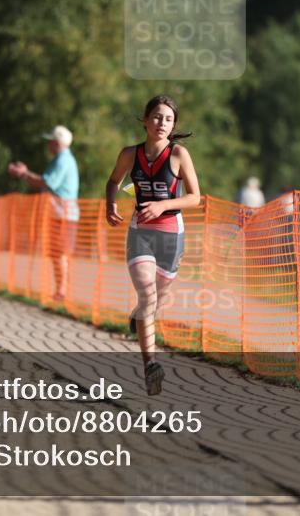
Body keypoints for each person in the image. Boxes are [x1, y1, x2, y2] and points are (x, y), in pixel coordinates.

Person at [105, 95, 201, 396]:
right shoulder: (129, 154)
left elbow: (195, 198)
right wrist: (110, 203)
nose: (162, 123)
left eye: (168, 119)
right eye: (157, 117)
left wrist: (163, 206)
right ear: (146, 120)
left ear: (173, 125)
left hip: (172, 234)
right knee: (147, 295)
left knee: (157, 300)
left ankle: (138, 316)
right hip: (141, 233)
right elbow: (113, 181)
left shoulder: (178, 155)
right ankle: (150, 366)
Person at [8, 125, 80, 302]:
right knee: (58, 253)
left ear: (56, 142)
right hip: (61, 214)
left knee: (60, 253)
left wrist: (24, 174)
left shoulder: (63, 160)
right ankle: (61, 289)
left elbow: (45, 183)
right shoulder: (62, 159)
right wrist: (26, 175)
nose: (48, 144)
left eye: (50, 140)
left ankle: (62, 291)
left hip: (63, 215)